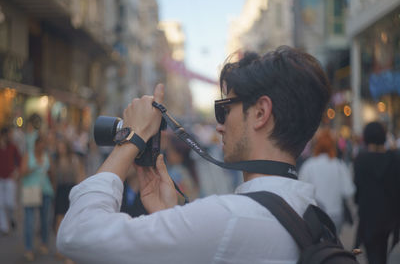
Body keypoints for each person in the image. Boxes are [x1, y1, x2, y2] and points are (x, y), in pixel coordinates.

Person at [57, 46, 332, 263]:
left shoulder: (230, 218)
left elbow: (77, 234)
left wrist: (131, 138)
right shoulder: (312, 212)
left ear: (260, 113)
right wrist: (169, 217)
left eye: (224, 109)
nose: (219, 126)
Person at [353, 121, 400, 264]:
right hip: (392, 218)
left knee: (374, 257)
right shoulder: (395, 158)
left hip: (369, 219)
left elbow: (358, 190)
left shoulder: (360, 160)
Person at [298, 128, 355, 233]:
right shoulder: (339, 165)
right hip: (336, 212)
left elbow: (301, 191)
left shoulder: (309, 165)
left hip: (316, 214)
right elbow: (348, 191)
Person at [20, 134, 54, 261]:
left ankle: (44, 243)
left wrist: (53, 188)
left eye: (43, 144)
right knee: (29, 221)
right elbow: (22, 172)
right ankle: (28, 248)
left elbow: (52, 173)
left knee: (45, 220)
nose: (42, 146)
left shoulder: (47, 157)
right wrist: (33, 168)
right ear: (35, 145)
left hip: (45, 190)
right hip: (31, 191)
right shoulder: (28, 156)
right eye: (40, 144)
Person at [0, 127, 22, 235]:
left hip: (10, 178)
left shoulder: (13, 147)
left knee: (10, 202)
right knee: (1, 204)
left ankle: (12, 217)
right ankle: (4, 227)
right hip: (1, 178)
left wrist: (17, 173)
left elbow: (19, 160)